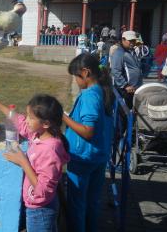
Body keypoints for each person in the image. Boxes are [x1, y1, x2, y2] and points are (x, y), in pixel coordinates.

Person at [0, 92, 70, 232]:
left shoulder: (50, 151)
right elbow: (19, 121)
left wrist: (23, 162)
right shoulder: (38, 134)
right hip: (35, 206)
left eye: (31, 117)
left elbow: (43, 191)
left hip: (41, 211)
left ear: (46, 123)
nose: (27, 120)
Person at [62, 53, 114, 232]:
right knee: (92, 201)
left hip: (83, 157)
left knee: (77, 204)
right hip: (98, 155)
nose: (76, 80)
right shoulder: (103, 89)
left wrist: (62, 117)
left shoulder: (89, 96)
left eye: (76, 76)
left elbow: (88, 131)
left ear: (85, 73)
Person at [109, 30, 143, 108]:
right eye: (130, 41)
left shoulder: (132, 51)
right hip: (125, 90)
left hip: (134, 88)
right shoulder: (119, 52)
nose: (132, 42)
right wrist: (125, 85)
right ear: (123, 39)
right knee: (125, 113)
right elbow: (115, 71)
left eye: (133, 40)